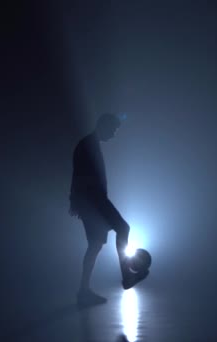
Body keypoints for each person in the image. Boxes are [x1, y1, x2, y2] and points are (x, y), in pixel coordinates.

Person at [69, 113, 148, 306]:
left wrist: (75, 200)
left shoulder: (89, 144)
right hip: (93, 201)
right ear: (103, 125)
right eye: (113, 130)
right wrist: (77, 200)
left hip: (92, 200)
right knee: (123, 229)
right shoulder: (88, 146)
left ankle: (83, 291)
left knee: (95, 245)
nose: (114, 134)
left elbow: (78, 173)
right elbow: (79, 174)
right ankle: (126, 276)